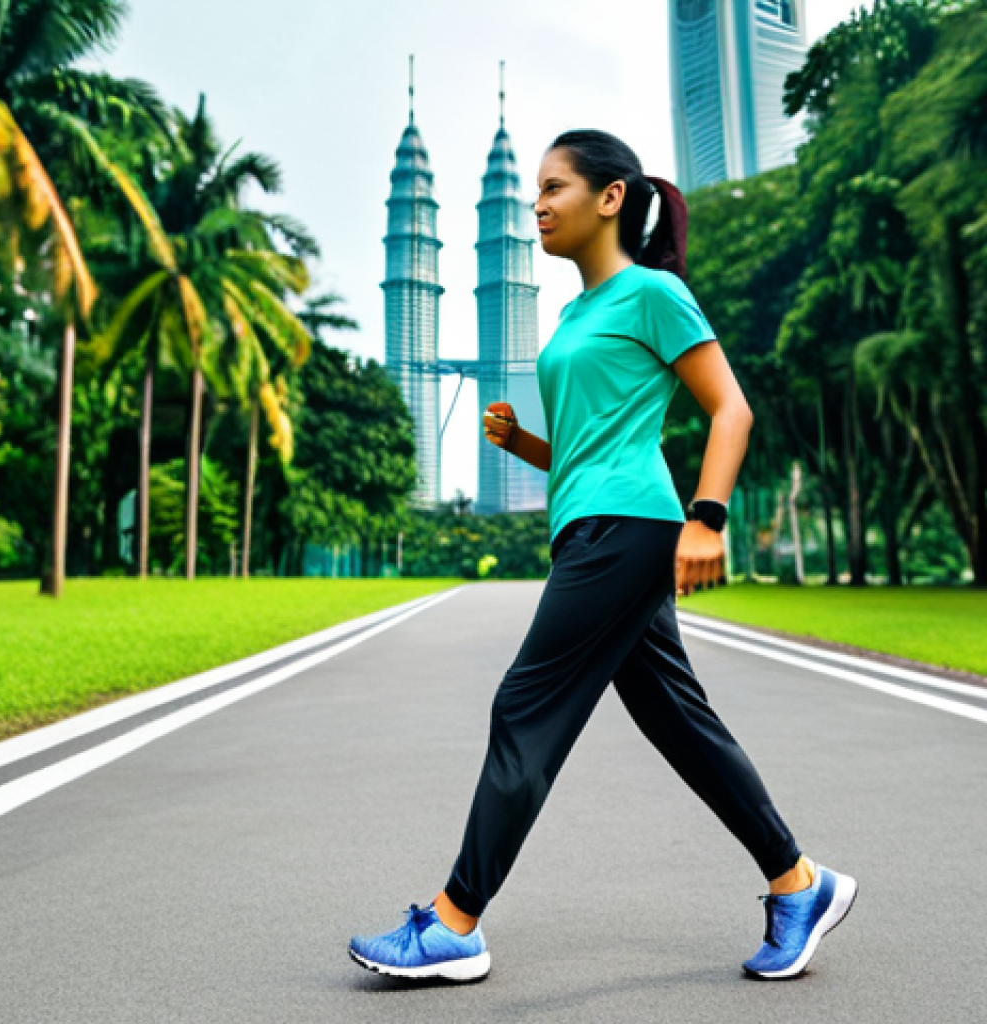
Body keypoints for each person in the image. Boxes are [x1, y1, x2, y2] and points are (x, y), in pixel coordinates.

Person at [349, 129, 856, 984]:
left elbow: (730, 411)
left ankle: (453, 923)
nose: (539, 206)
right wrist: (526, 447)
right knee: (678, 722)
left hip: (632, 528)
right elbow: (593, 447)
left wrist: (708, 518)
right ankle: (798, 882)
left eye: (553, 188)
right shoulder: (576, 317)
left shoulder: (654, 295)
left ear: (610, 197)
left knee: (525, 707)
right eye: (533, 195)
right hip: (592, 523)